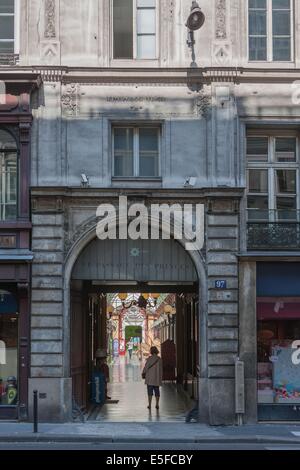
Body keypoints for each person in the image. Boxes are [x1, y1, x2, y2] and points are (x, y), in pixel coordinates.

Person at [142, 346, 163, 410]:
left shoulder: (149, 359)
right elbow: (161, 369)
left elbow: (146, 367)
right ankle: (157, 404)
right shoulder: (159, 359)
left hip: (150, 378)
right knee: (157, 391)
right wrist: (161, 377)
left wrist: (143, 372)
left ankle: (150, 405)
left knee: (150, 392)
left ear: (151, 351)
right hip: (156, 378)